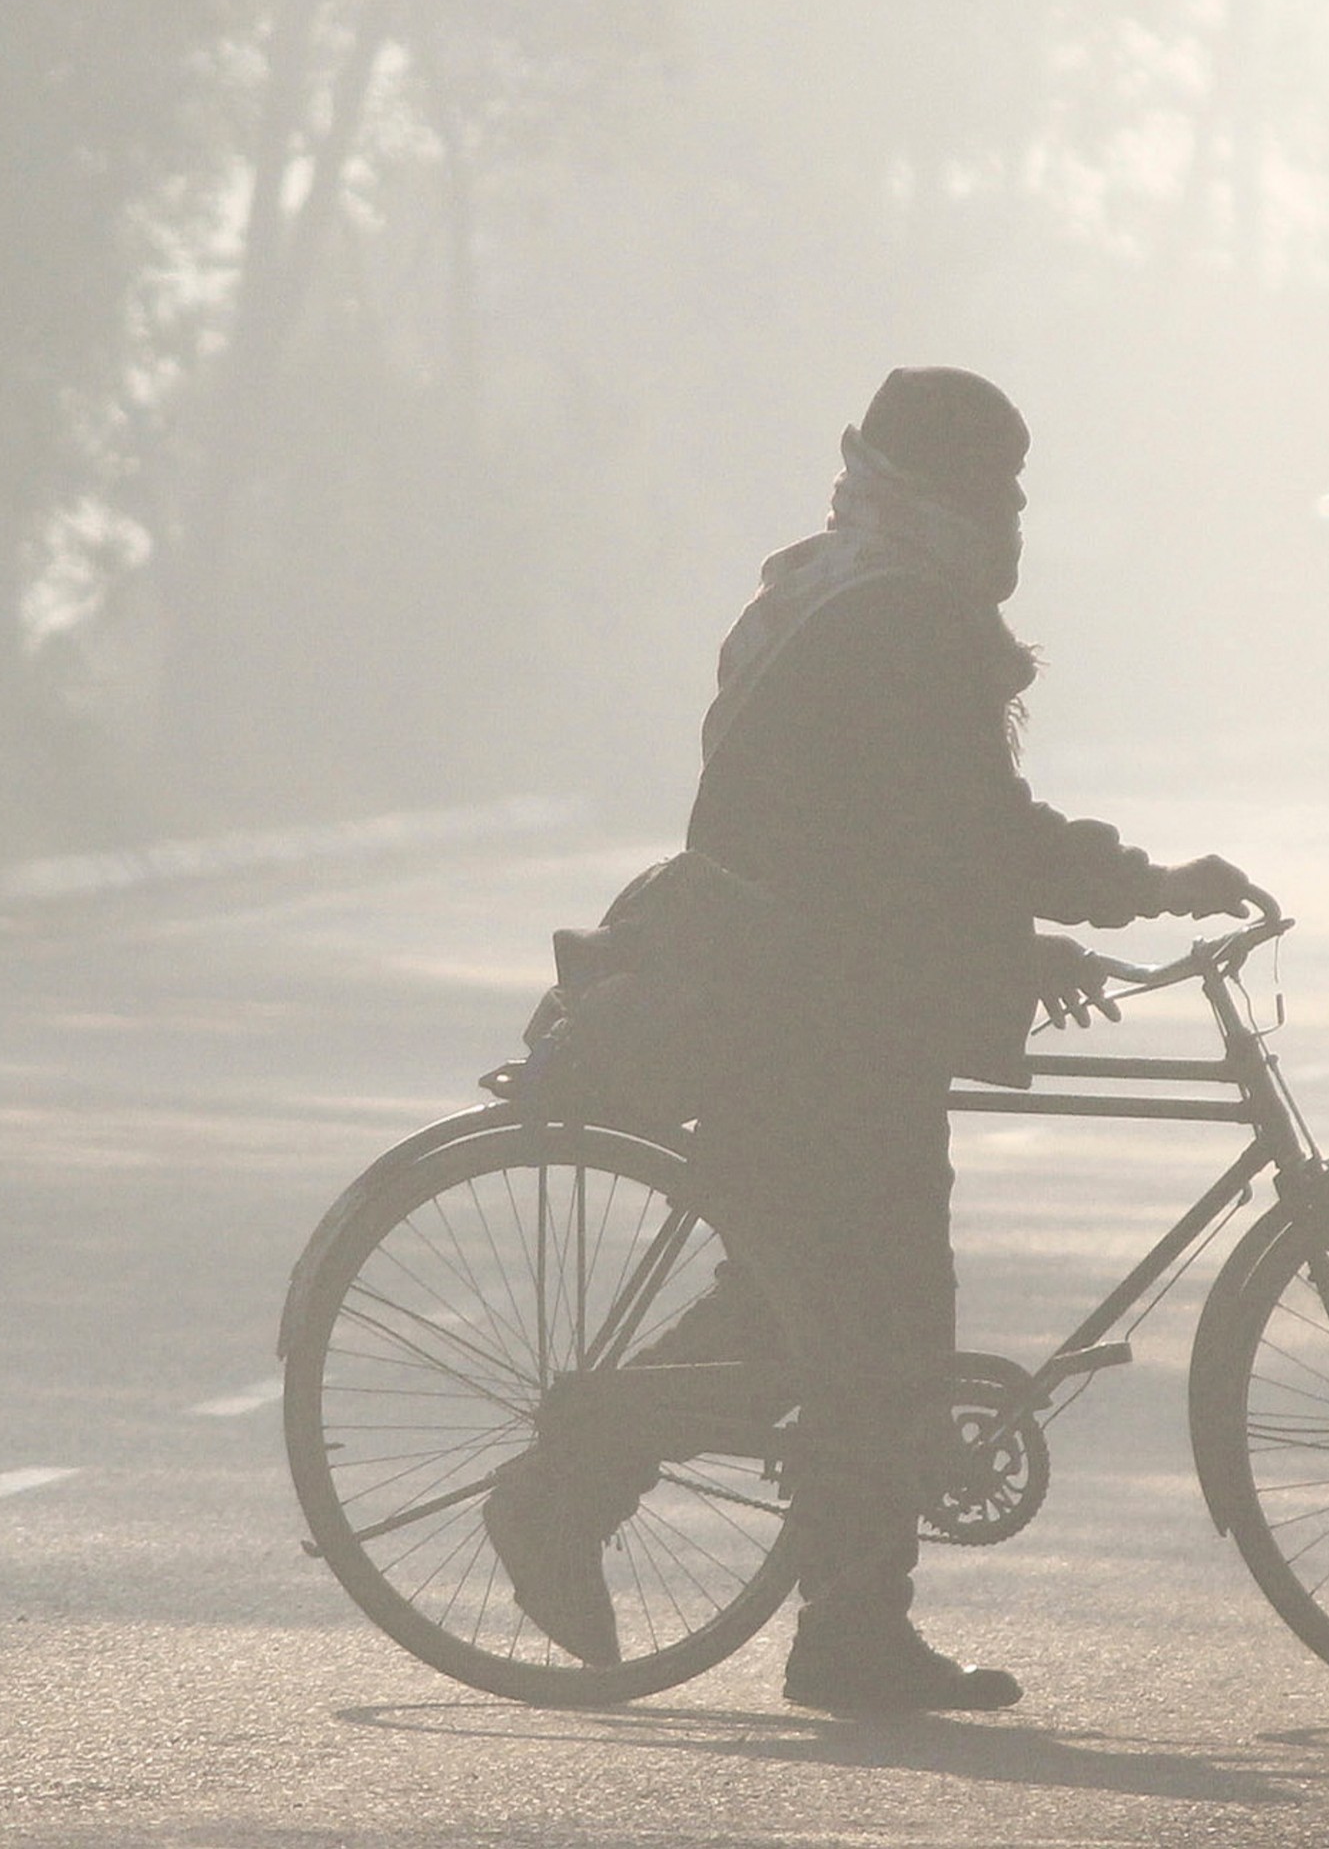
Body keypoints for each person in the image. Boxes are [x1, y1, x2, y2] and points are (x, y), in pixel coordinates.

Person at [483, 367, 1258, 1711]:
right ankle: (586, 1499)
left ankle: (841, 1620)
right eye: (998, 486)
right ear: (946, 487)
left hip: (812, 998)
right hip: (803, 1016)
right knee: (846, 1326)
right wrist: (1140, 884)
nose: (1012, 513)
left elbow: (901, 834)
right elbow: (959, 832)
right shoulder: (899, 616)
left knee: (839, 1312)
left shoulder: (838, 578)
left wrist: (1026, 935)